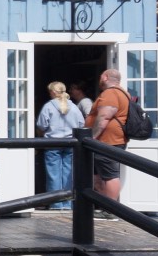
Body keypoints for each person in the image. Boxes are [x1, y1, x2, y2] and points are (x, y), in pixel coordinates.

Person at [84, 69, 128, 221]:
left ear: (105, 77)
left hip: (107, 141)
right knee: (99, 175)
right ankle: (105, 206)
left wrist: (92, 137)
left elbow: (104, 117)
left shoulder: (111, 93)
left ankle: (110, 211)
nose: (99, 79)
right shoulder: (121, 92)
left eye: (101, 76)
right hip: (109, 141)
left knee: (110, 175)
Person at [36, 81, 84, 210]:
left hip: (52, 143)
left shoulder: (48, 107)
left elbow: (41, 125)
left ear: (52, 92)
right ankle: (67, 204)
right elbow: (81, 124)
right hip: (70, 143)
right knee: (68, 174)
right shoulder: (74, 107)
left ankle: (55, 204)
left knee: (53, 174)